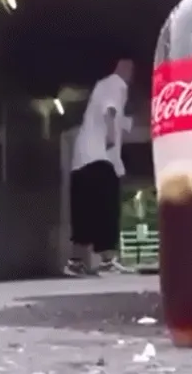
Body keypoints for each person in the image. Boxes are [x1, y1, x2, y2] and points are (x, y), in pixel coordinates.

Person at [64, 59, 134, 277]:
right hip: (100, 157)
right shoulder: (116, 83)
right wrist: (111, 138)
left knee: (84, 212)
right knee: (107, 208)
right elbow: (110, 110)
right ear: (123, 66)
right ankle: (107, 261)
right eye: (130, 68)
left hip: (83, 160)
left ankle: (75, 262)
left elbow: (121, 120)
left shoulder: (100, 87)